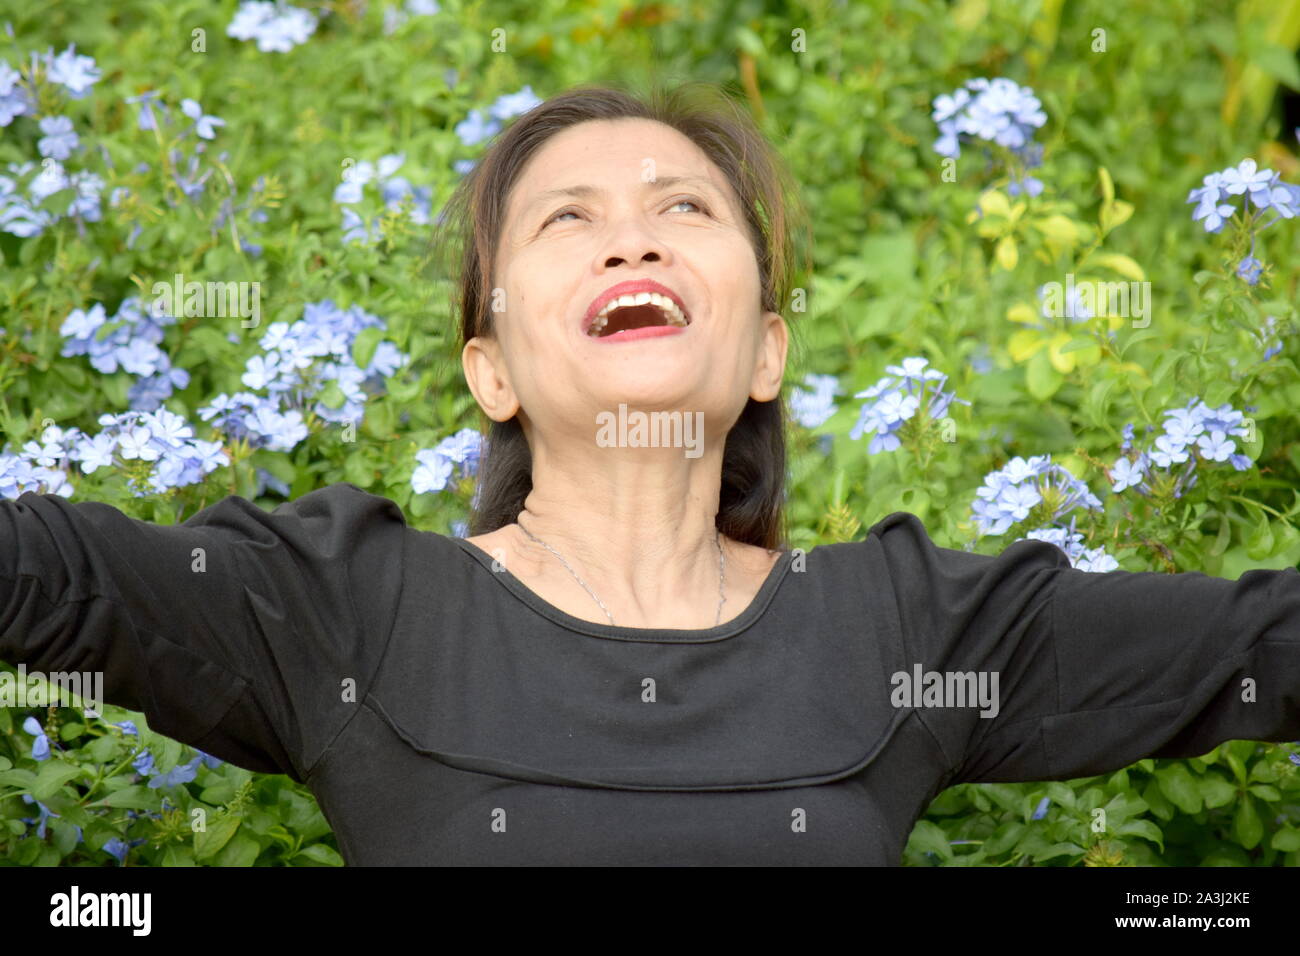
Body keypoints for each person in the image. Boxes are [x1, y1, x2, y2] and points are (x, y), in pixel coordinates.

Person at [4, 83, 1300, 866]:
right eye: (567, 218)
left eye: (686, 209)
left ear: (766, 352)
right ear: (491, 370)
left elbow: (1269, 644)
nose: (633, 235)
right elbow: (47, 582)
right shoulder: (357, 610)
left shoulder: (906, 631)